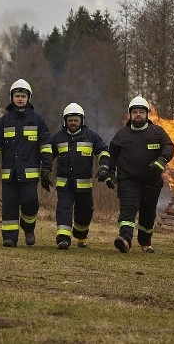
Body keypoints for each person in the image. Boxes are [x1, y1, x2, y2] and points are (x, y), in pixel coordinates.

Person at [0, 79, 52, 247]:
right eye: (17, 96)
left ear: (29, 98)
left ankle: (28, 227)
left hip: (29, 174)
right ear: (12, 98)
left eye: (23, 96)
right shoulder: (4, 121)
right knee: (9, 205)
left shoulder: (38, 120)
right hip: (10, 173)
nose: (20, 99)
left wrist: (46, 167)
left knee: (30, 203)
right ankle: (9, 237)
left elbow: (45, 146)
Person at [107, 96, 174, 253]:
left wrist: (162, 160)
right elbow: (112, 155)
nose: (138, 115)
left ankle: (145, 242)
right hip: (127, 180)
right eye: (135, 112)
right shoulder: (121, 135)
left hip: (151, 181)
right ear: (130, 115)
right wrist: (110, 172)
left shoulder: (157, 132)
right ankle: (125, 239)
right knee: (128, 210)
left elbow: (168, 147)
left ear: (147, 114)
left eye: (141, 112)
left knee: (148, 213)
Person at [50, 103, 112, 250]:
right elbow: (48, 156)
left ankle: (80, 235)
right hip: (64, 184)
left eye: (76, 120)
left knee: (84, 212)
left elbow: (103, 151)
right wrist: (45, 171)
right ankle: (63, 238)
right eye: (70, 120)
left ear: (81, 121)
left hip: (84, 185)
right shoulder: (58, 138)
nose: (73, 123)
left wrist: (104, 167)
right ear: (65, 121)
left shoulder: (91, 137)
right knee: (63, 208)